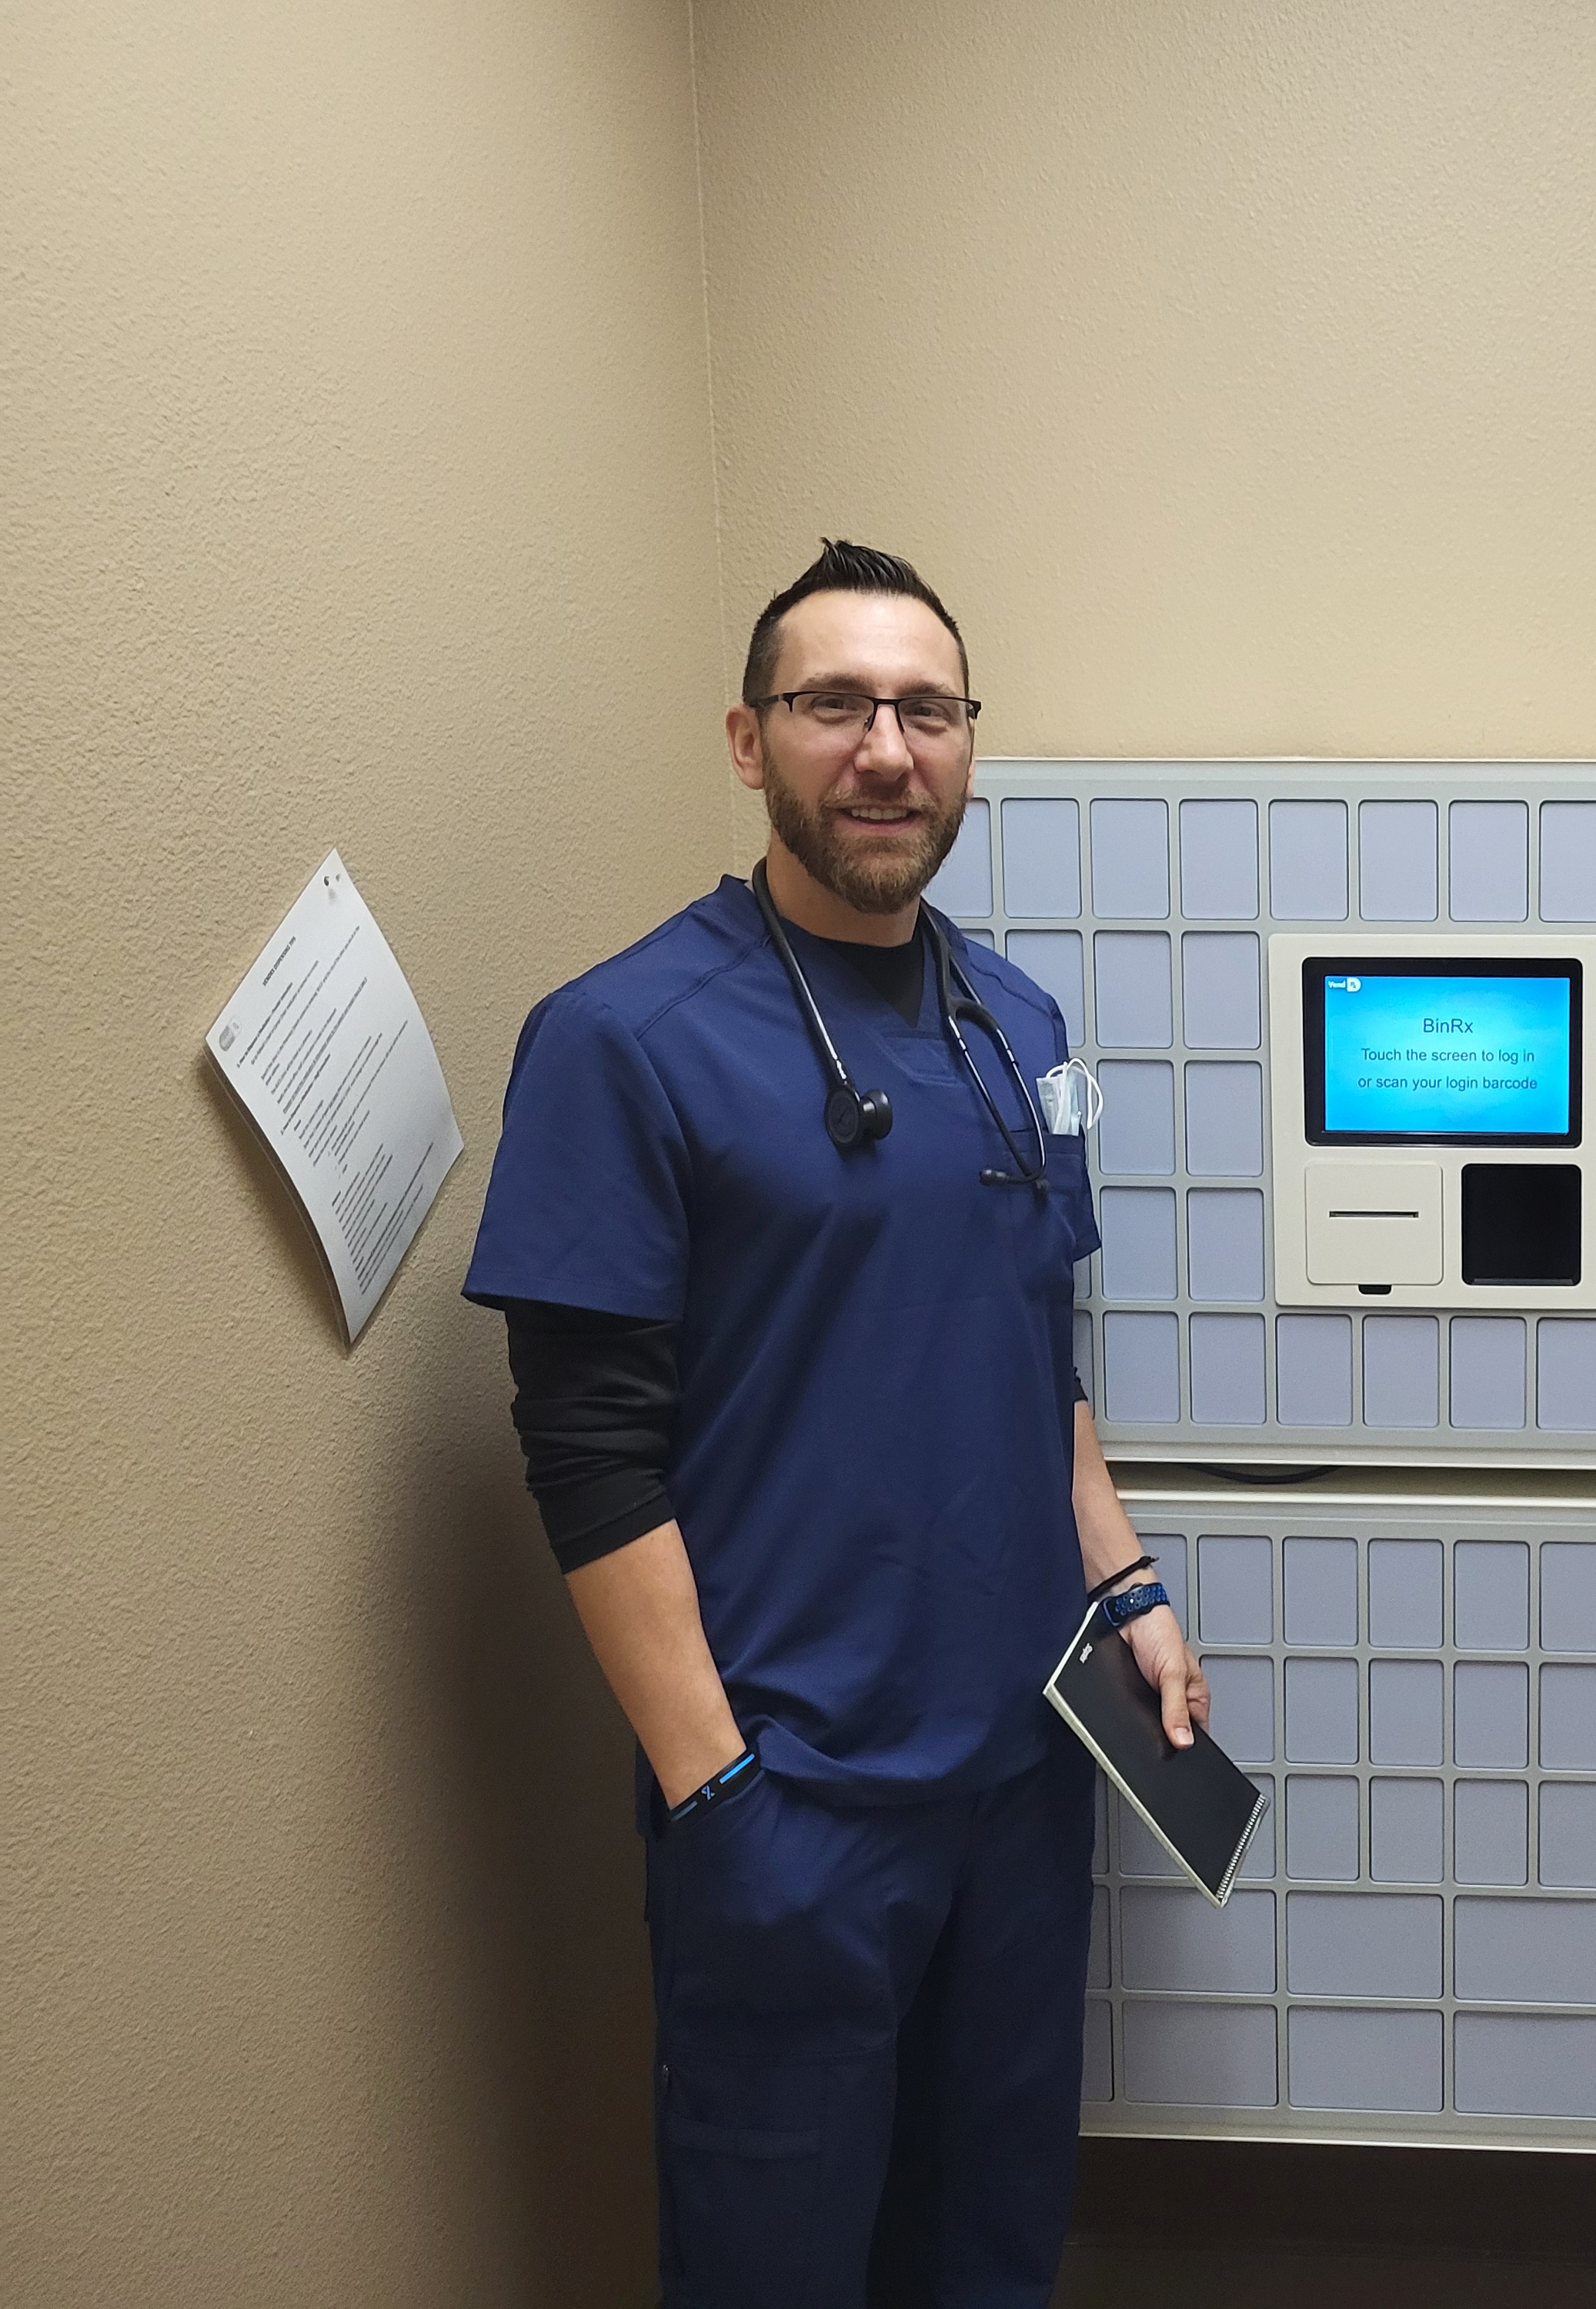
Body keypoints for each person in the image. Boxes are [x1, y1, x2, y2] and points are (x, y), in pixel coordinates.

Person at [464, 540, 1203, 2307]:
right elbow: (586, 1452)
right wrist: (718, 1790)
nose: (885, 748)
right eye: (834, 705)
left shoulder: (1013, 1021)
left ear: (968, 742)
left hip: (1026, 1776)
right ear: (747, 740)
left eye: (926, 710)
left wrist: (1127, 1592)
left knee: (990, 2238)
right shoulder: (622, 1038)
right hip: (792, 1795)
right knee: (777, 2255)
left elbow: (1046, 1358)